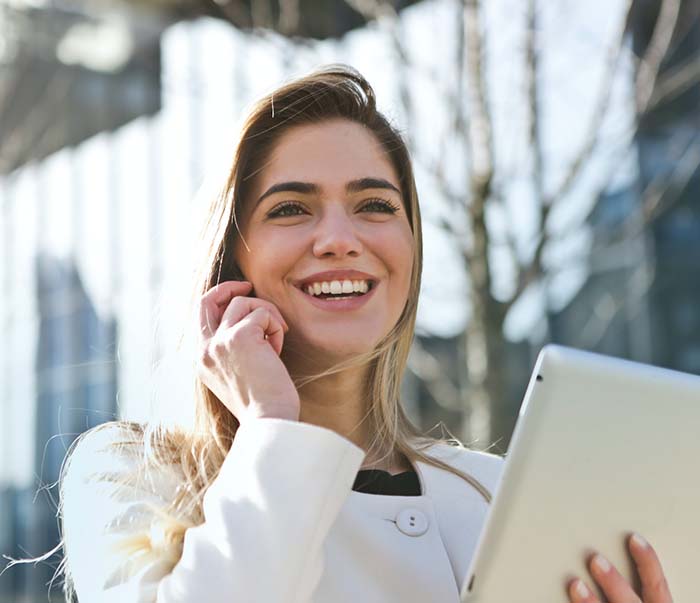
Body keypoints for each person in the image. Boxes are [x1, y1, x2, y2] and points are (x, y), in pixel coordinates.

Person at [53, 65, 672, 603]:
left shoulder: (496, 493)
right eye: (290, 208)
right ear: (232, 260)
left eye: (375, 206)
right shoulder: (130, 476)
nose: (339, 238)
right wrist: (272, 425)